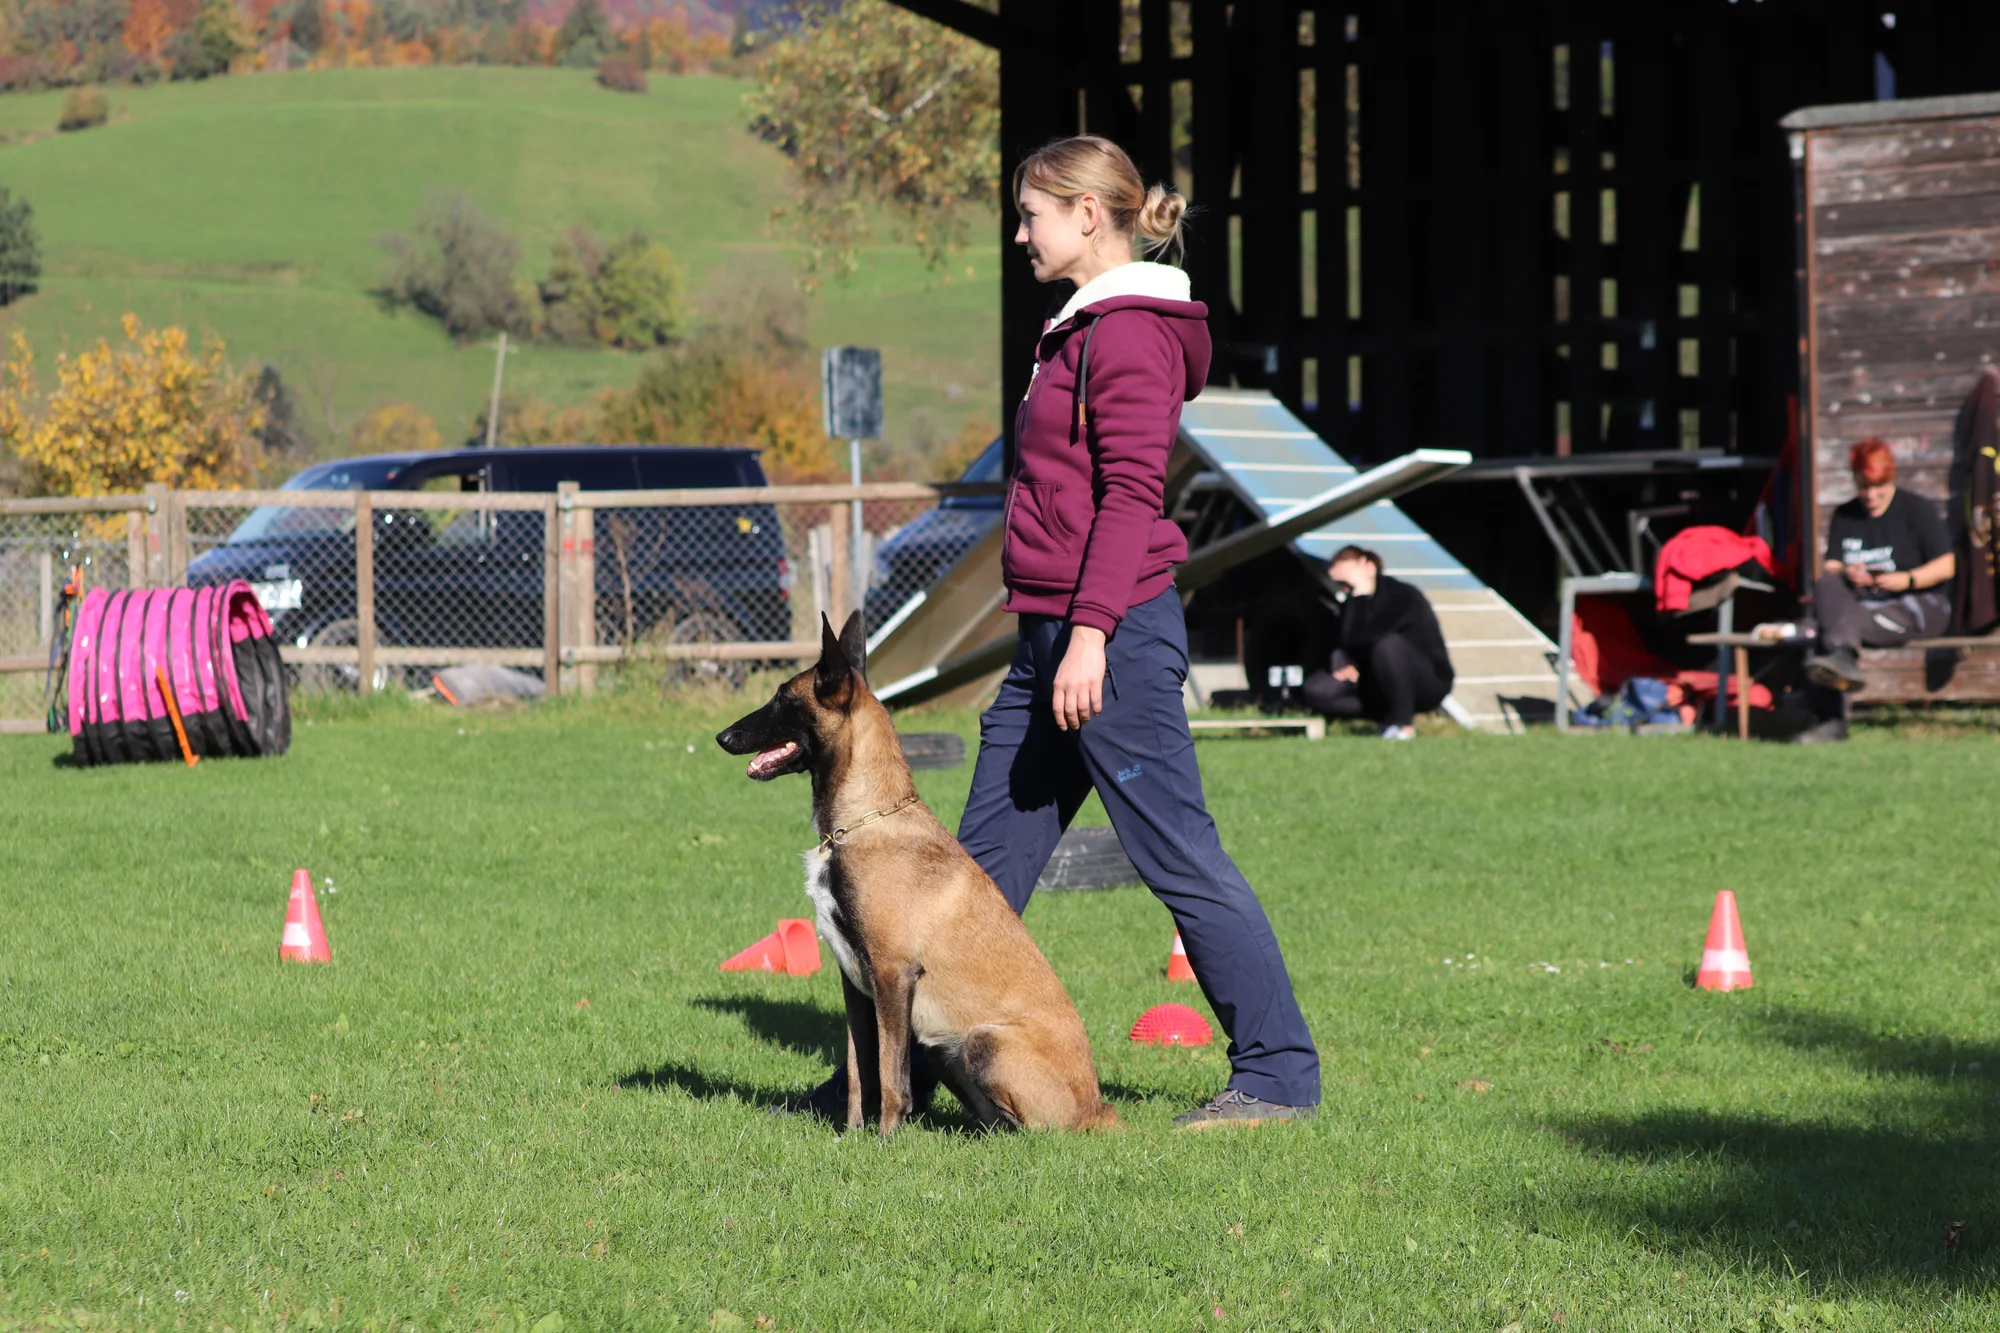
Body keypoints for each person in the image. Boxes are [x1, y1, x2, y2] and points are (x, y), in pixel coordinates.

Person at [787, 135, 1321, 1130]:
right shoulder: (1077, 330)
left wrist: (1087, 638)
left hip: (1102, 641)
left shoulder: (1122, 336)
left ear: (1088, 217)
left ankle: (1277, 1074)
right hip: (1050, 639)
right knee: (969, 872)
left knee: (1177, 857)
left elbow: (1126, 498)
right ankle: (866, 1086)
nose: (1019, 229)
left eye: (1031, 212)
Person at [1798, 437, 1955, 743]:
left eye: (1878, 487)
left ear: (1891, 478)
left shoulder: (1916, 509)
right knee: (1827, 585)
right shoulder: (1846, 515)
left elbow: (1947, 565)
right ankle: (1838, 671)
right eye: (1863, 487)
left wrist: (1906, 579)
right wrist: (1850, 572)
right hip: (1864, 605)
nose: (1870, 495)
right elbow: (1832, 567)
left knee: (1823, 630)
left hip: (1916, 605)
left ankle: (1831, 719)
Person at [1298, 546, 1454, 740]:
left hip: (1427, 682)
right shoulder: (1350, 603)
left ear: (1368, 566)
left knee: (1387, 646)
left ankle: (1403, 725)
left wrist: (1361, 596)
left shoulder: (1403, 596)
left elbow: (1370, 636)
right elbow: (1347, 640)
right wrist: (1340, 655)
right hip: (1375, 683)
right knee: (1317, 689)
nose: (1345, 587)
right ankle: (1387, 718)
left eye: (1347, 578)